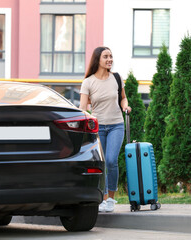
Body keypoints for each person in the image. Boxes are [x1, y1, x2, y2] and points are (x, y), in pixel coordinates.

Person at [79, 46, 131, 212]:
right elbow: (82, 107)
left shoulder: (116, 78)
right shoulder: (88, 82)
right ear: (98, 60)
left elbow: (123, 98)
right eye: (106, 56)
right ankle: (101, 197)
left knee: (111, 160)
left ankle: (111, 200)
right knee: (100, 163)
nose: (110, 59)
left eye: (111, 56)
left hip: (116, 124)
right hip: (98, 127)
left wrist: (126, 106)